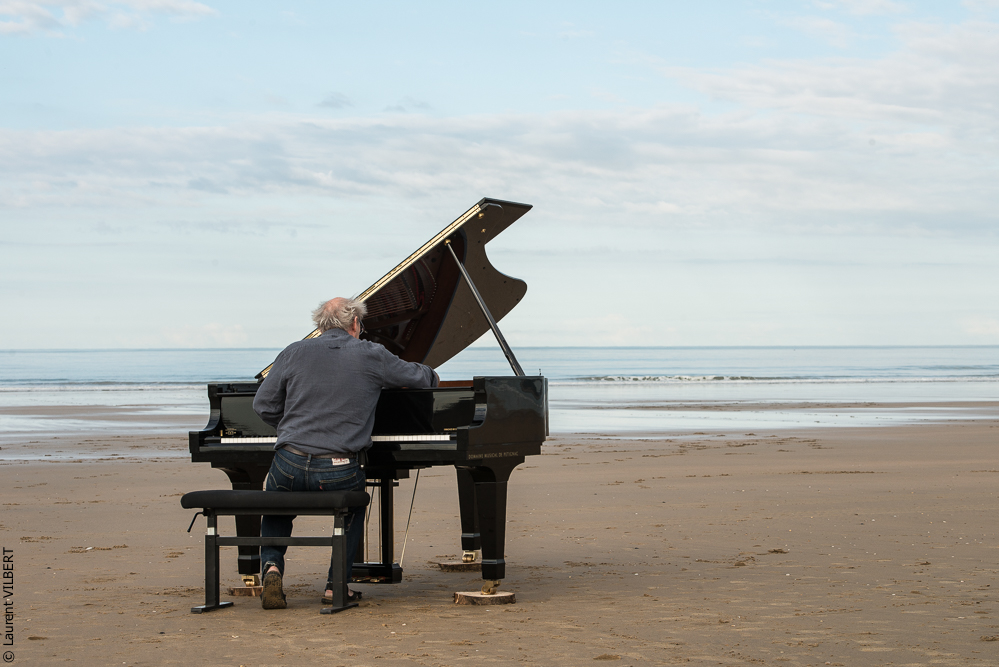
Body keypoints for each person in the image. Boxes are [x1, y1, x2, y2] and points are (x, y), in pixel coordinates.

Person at [252, 297, 438, 609]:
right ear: (355, 323)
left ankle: (271, 568)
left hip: (289, 461)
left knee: (276, 502)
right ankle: (334, 585)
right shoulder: (372, 354)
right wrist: (431, 373)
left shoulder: (293, 351)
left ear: (319, 325)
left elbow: (262, 405)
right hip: (337, 467)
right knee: (353, 507)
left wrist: (292, 428)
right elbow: (420, 378)